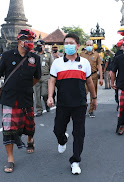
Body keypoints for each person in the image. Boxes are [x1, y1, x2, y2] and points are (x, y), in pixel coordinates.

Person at [0, 29, 41, 173]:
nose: (31, 43)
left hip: (27, 97)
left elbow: (37, 77)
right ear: (20, 41)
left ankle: (29, 140)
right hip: (9, 98)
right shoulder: (7, 56)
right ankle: (10, 159)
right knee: (8, 129)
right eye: (28, 40)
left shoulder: (35, 58)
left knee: (30, 125)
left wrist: (26, 87)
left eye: (32, 40)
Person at [47, 33, 97, 175]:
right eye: (66, 43)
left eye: (71, 43)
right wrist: (50, 96)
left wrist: (94, 98)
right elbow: (52, 80)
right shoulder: (57, 63)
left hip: (80, 104)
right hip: (63, 103)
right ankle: (62, 140)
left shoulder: (85, 63)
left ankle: (75, 161)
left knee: (79, 133)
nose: (68, 45)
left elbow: (89, 82)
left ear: (78, 46)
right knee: (58, 129)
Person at [80, 40, 103, 118]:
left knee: (93, 93)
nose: (89, 46)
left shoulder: (96, 55)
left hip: (93, 76)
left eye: (91, 45)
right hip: (83, 76)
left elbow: (99, 66)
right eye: (88, 45)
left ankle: (91, 110)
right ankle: (83, 108)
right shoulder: (81, 54)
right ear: (85, 45)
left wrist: (101, 78)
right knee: (83, 93)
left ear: (93, 46)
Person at [33, 40, 54, 117]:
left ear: (44, 46)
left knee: (44, 93)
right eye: (37, 46)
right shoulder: (34, 55)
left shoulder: (48, 55)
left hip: (46, 76)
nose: (39, 47)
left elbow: (52, 66)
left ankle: (46, 103)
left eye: (40, 46)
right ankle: (39, 110)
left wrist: (52, 77)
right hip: (36, 77)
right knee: (37, 95)